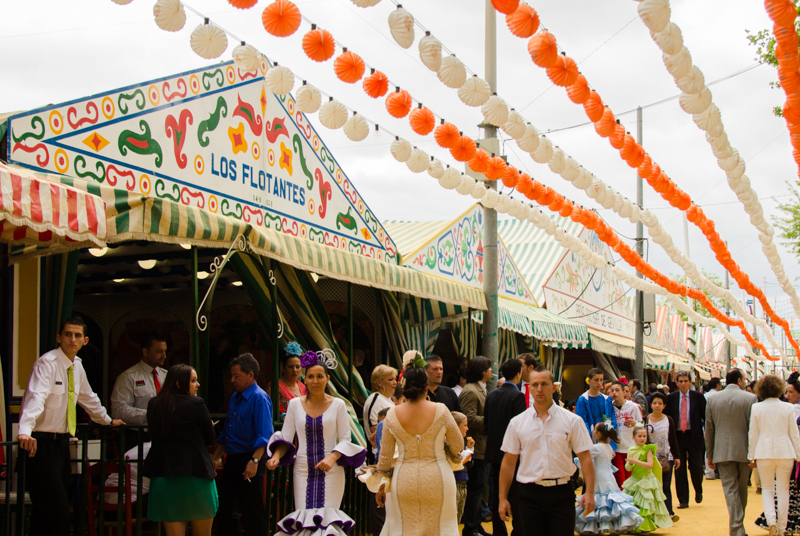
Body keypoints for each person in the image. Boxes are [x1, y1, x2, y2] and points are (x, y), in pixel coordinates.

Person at [18, 316, 124, 536]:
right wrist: (25, 432)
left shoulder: (77, 366)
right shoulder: (47, 364)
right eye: (68, 334)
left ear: (85, 341)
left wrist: (107, 420)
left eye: (77, 335)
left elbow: (88, 398)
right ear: (59, 338)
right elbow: (36, 398)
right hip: (39, 445)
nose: (72, 340)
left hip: (61, 446)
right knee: (57, 511)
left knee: (45, 513)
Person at [267, 351, 366, 536]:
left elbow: (345, 439)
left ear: (327, 379)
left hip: (332, 471)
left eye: (320, 376)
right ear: (304, 379)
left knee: (327, 523)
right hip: (302, 471)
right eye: (311, 377)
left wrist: (332, 457)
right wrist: (276, 456)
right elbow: (286, 437)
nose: (315, 381)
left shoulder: (338, 405)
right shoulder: (295, 405)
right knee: (305, 523)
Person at [498, 366, 596, 536]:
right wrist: (502, 498)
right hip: (528, 494)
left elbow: (585, 457)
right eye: (535, 384)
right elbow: (508, 462)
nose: (540, 389)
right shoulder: (517, 423)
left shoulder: (572, 421)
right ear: (530, 387)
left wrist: (590, 492)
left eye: (544, 384)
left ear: (553, 387)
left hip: (562, 492)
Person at [371, 365, 464, 535]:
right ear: (426, 387)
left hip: (405, 478)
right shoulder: (441, 410)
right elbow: (458, 445)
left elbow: (384, 459)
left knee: (406, 528)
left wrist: (381, 484)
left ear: (404, 389)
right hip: (439, 477)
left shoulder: (392, 415)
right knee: (442, 528)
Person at [143, 365, 217, 536]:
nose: (197, 384)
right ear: (178, 383)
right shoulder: (196, 404)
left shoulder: (154, 404)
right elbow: (209, 438)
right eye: (193, 381)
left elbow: (153, 434)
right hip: (195, 476)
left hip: (165, 477)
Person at [211, 354, 274, 536]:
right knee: (224, 507)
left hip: (251, 455)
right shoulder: (235, 398)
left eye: (236, 376)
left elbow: (265, 435)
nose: (232, 380)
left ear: (250, 375)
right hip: (233, 457)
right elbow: (226, 432)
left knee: (252, 510)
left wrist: (254, 461)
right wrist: (215, 457)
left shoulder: (259, 398)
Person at [704, 368, 757, 536]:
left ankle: (737, 528)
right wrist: (754, 452)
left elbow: (709, 429)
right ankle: (737, 529)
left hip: (722, 450)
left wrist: (710, 454)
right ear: (740, 381)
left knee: (731, 490)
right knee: (741, 491)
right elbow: (753, 428)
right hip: (745, 450)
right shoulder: (751, 398)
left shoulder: (712, 399)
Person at [749, 374, 800, 536]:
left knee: (768, 490)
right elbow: (794, 435)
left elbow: (753, 434)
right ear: (780, 389)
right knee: (784, 490)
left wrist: (751, 456)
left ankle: (771, 521)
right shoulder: (788, 408)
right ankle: (781, 528)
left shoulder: (756, 408)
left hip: (763, 453)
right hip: (785, 452)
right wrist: (799, 455)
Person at [574, 422, 643, 535]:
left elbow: (584, 458)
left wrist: (575, 459)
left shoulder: (596, 447)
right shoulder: (609, 447)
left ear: (599, 434)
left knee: (601, 501)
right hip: (609, 476)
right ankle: (612, 524)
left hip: (600, 477)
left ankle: (597, 526)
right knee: (610, 500)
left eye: (595, 430)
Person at [485, 359, 527, 536]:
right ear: (519, 374)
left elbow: (486, 423)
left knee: (497, 494)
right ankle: (518, 530)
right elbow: (521, 427)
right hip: (512, 452)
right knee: (515, 493)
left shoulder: (492, 394)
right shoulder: (517, 396)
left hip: (494, 450)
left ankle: (499, 531)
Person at [362, 364, 398, 535]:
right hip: (381, 456)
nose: (394, 383)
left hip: (392, 456)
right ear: (378, 383)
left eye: (395, 379)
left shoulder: (389, 400)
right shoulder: (376, 400)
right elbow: (378, 432)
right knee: (380, 500)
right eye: (390, 379)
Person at [459, 356, 492, 536]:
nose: (491, 370)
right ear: (482, 370)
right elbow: (468, 418)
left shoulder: (480, 389)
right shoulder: (471, 391)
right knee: (476, 488)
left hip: (482, 446)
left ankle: (476, 524)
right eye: (488, 368)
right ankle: (471, 527)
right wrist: (490, 421)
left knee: (480, 488)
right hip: (475, 447)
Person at [666, 370, 707, 509]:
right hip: (677, 437)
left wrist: (706, 432)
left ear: (690, 382)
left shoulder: (698, 397)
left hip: (694, 435)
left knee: (696, 467)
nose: (683, 384)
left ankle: (698, 489)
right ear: (676, 383)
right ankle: (683, 500)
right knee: (680, 469)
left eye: (686, 381)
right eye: (680, 381)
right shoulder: (671, 398)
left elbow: (705, 416)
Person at [622, 425, 673, 531]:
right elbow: (627, 468)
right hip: (635, 479)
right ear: (633, 438)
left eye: (644, 436)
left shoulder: (648, 449)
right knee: (634, 503)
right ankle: (633, 525)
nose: (642, 438)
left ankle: (645, 526)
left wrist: (635, 461)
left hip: (646, 480)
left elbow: (650, 465)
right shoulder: (631, 450)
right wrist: (630, 464)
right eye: (639, 436)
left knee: (646, 504)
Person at [111, 333, 168, 425]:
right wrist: (150, 415)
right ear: (145, 352)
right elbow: (119, 410)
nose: (164, 356)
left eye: (165, 351)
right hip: (139, 435)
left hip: (166, 434)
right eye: (158, 351)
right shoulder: (128, 377)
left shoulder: (167, 376)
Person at [645, 392, 681, 519]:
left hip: (667, 457)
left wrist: (677, 456)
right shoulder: (646, 419)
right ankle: (654, 512)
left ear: (664, 405)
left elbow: (673, 438)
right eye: (655, 403)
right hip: (651, 458)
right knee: (653, 485)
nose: (657, 406)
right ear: (651, 404)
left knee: (666, 485)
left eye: (660, 403)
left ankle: (669, 512)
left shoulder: (668, 420)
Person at [609, 380, 642, 487]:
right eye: (612, 390)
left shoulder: (633, 407)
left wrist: (635, 423)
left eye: (617, 390)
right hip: (616, 449)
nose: (614, 392)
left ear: (624, 392)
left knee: (630, 480)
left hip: (630, 449)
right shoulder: (609, 407)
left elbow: (642, 425)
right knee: (620, 481)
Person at [575, 368, 616, 440]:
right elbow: (581, 422)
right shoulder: (583, 400)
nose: (599, 383)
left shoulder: (607, 400)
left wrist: (606, 435)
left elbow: (611, 421)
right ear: (589, 380)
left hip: (604, 441)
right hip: (588, 440)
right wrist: (589, 439)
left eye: (601, 380)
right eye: (596, 380)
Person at [267, 342, 307, 416]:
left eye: (297, 367)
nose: (294, 370)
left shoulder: (303, 387)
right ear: (284, 368)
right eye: (290, 367)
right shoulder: (275, 387)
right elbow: (269, 412)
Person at [452, 411, 476, 528]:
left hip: (463, 486)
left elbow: (469, 464)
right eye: (464, 425)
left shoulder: (461, 443)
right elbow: (457, 462)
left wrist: (470, 448)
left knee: (457, 520)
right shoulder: (450, 444)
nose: (467, 429)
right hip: (454, 486)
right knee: (452, 522)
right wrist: (468, 451)